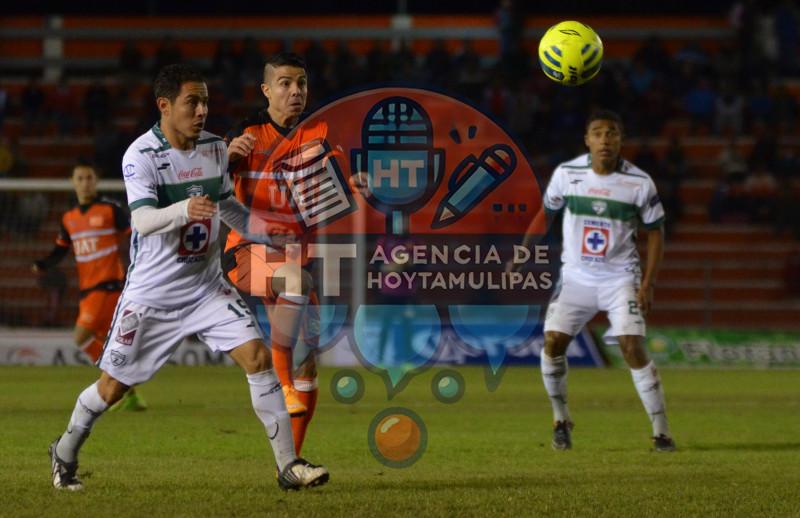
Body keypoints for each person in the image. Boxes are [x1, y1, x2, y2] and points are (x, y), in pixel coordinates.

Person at [48, 64, 328, 492]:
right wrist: (184, 209)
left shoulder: (216, 148)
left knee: (257, 358)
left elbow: (227, 206)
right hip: (152, 297)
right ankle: (65, 451)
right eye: (191, 103)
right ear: (165, 106)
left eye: (205, 102)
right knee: (112, 388)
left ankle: (288, 466)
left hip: (206, 289)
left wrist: (260, 229)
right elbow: (141, 221)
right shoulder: (140, 155)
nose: (201, 111)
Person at [519, 109, 676, 452]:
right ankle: (561, 420)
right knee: (553, 341)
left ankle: (661, 430)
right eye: (598, 133)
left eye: (612, 133)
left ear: (621, 140)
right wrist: (524, 251)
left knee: (632, 347)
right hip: (576, 278)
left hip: (620, 279)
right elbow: (545, 213)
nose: (605, 139)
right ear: (587, 140)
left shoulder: (639, 183)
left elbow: (655, 233)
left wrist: (647, 284)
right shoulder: (567, 174)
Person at [223, 53, 322, 456]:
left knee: (309, 368)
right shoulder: (245, 134)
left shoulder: (317, 135)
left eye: (300, 82)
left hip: (294, 256)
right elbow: (209, 186)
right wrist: (227, 157)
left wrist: (355, 184)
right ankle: (280, 385)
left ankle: (291, 462)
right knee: (297, 286)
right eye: (284, 83)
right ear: (266, 90)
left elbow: (331, 189)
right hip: (246, 253)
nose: (295, 91)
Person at [32, 162, 146, 411]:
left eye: (89, 177)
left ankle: (112, 385)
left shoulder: (110, 210)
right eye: (80, 178)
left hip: (107, 287)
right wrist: (43, 264)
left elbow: (137, 234)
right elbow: (61, 249)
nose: (85, 183)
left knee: (81, 337)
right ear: (73, 182)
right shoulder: (69, 218)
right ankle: (129, 394)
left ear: (96, 181)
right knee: (111, 346)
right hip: (88, 290)